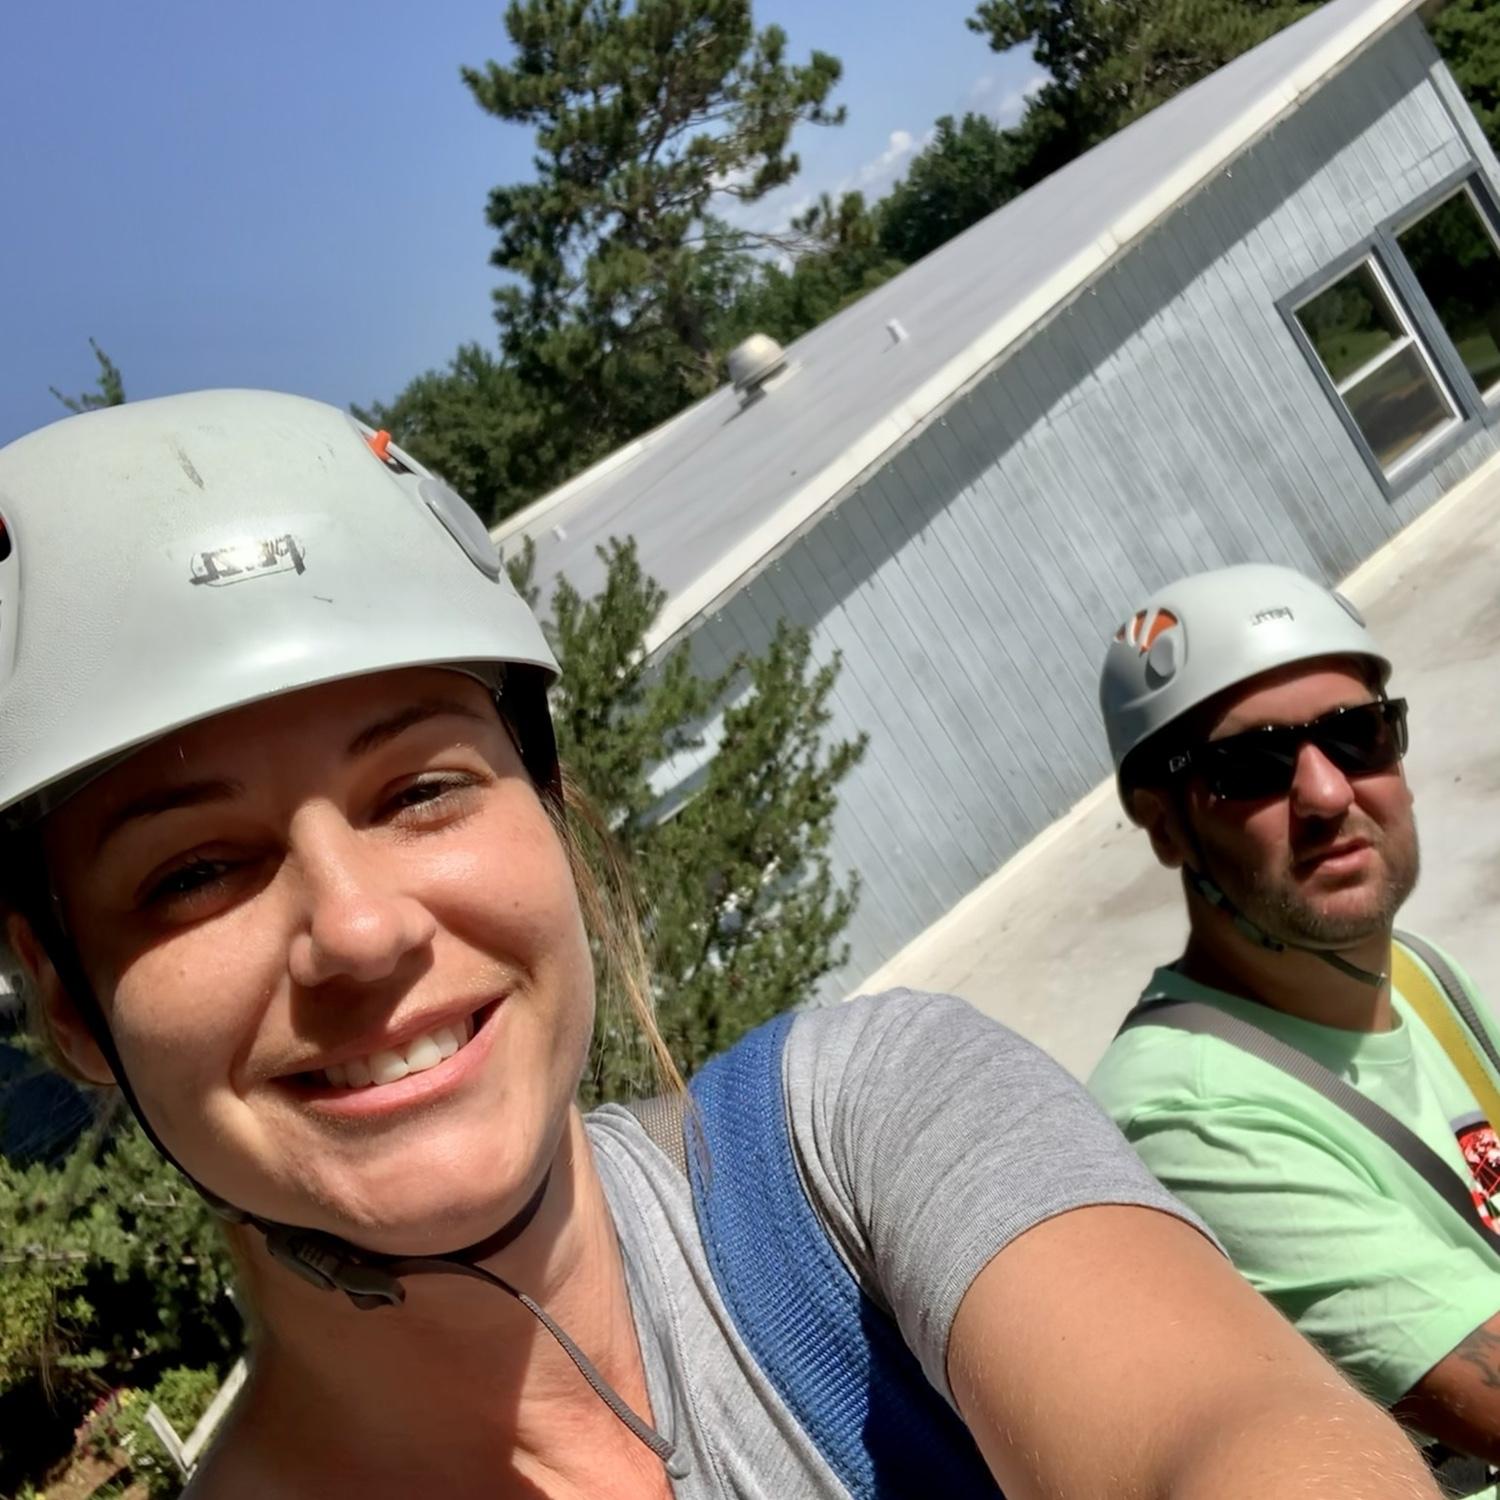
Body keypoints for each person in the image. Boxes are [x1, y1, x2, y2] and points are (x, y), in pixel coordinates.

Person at [1, 393, 1441, 1500]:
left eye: (423, 789)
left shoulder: (857, 1141)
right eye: (195, 870)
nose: (362, 931)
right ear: (66, 998)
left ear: (551, 812)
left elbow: (1230, 1435)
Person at [1091, 563, 1500, 1496]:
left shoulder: (1417, 973)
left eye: (1356, 734)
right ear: (1164, 825)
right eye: (1252, 766)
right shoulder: (1187, 1112)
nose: (1325, 792)